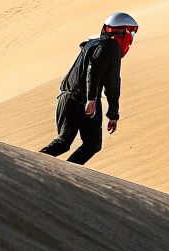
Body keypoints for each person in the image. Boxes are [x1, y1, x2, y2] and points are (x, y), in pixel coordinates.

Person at [40, 12, 137, 165]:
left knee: (64, 142)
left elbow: (100, 75)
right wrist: (95, 101)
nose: (132, 38)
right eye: (131, 32)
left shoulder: (94, 43)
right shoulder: (112, 47)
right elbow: (105, 79)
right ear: (123, 31)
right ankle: (44, 169)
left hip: (67, 96)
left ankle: (38, 168)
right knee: (89, 144)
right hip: (82, 99)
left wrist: (109, 110)